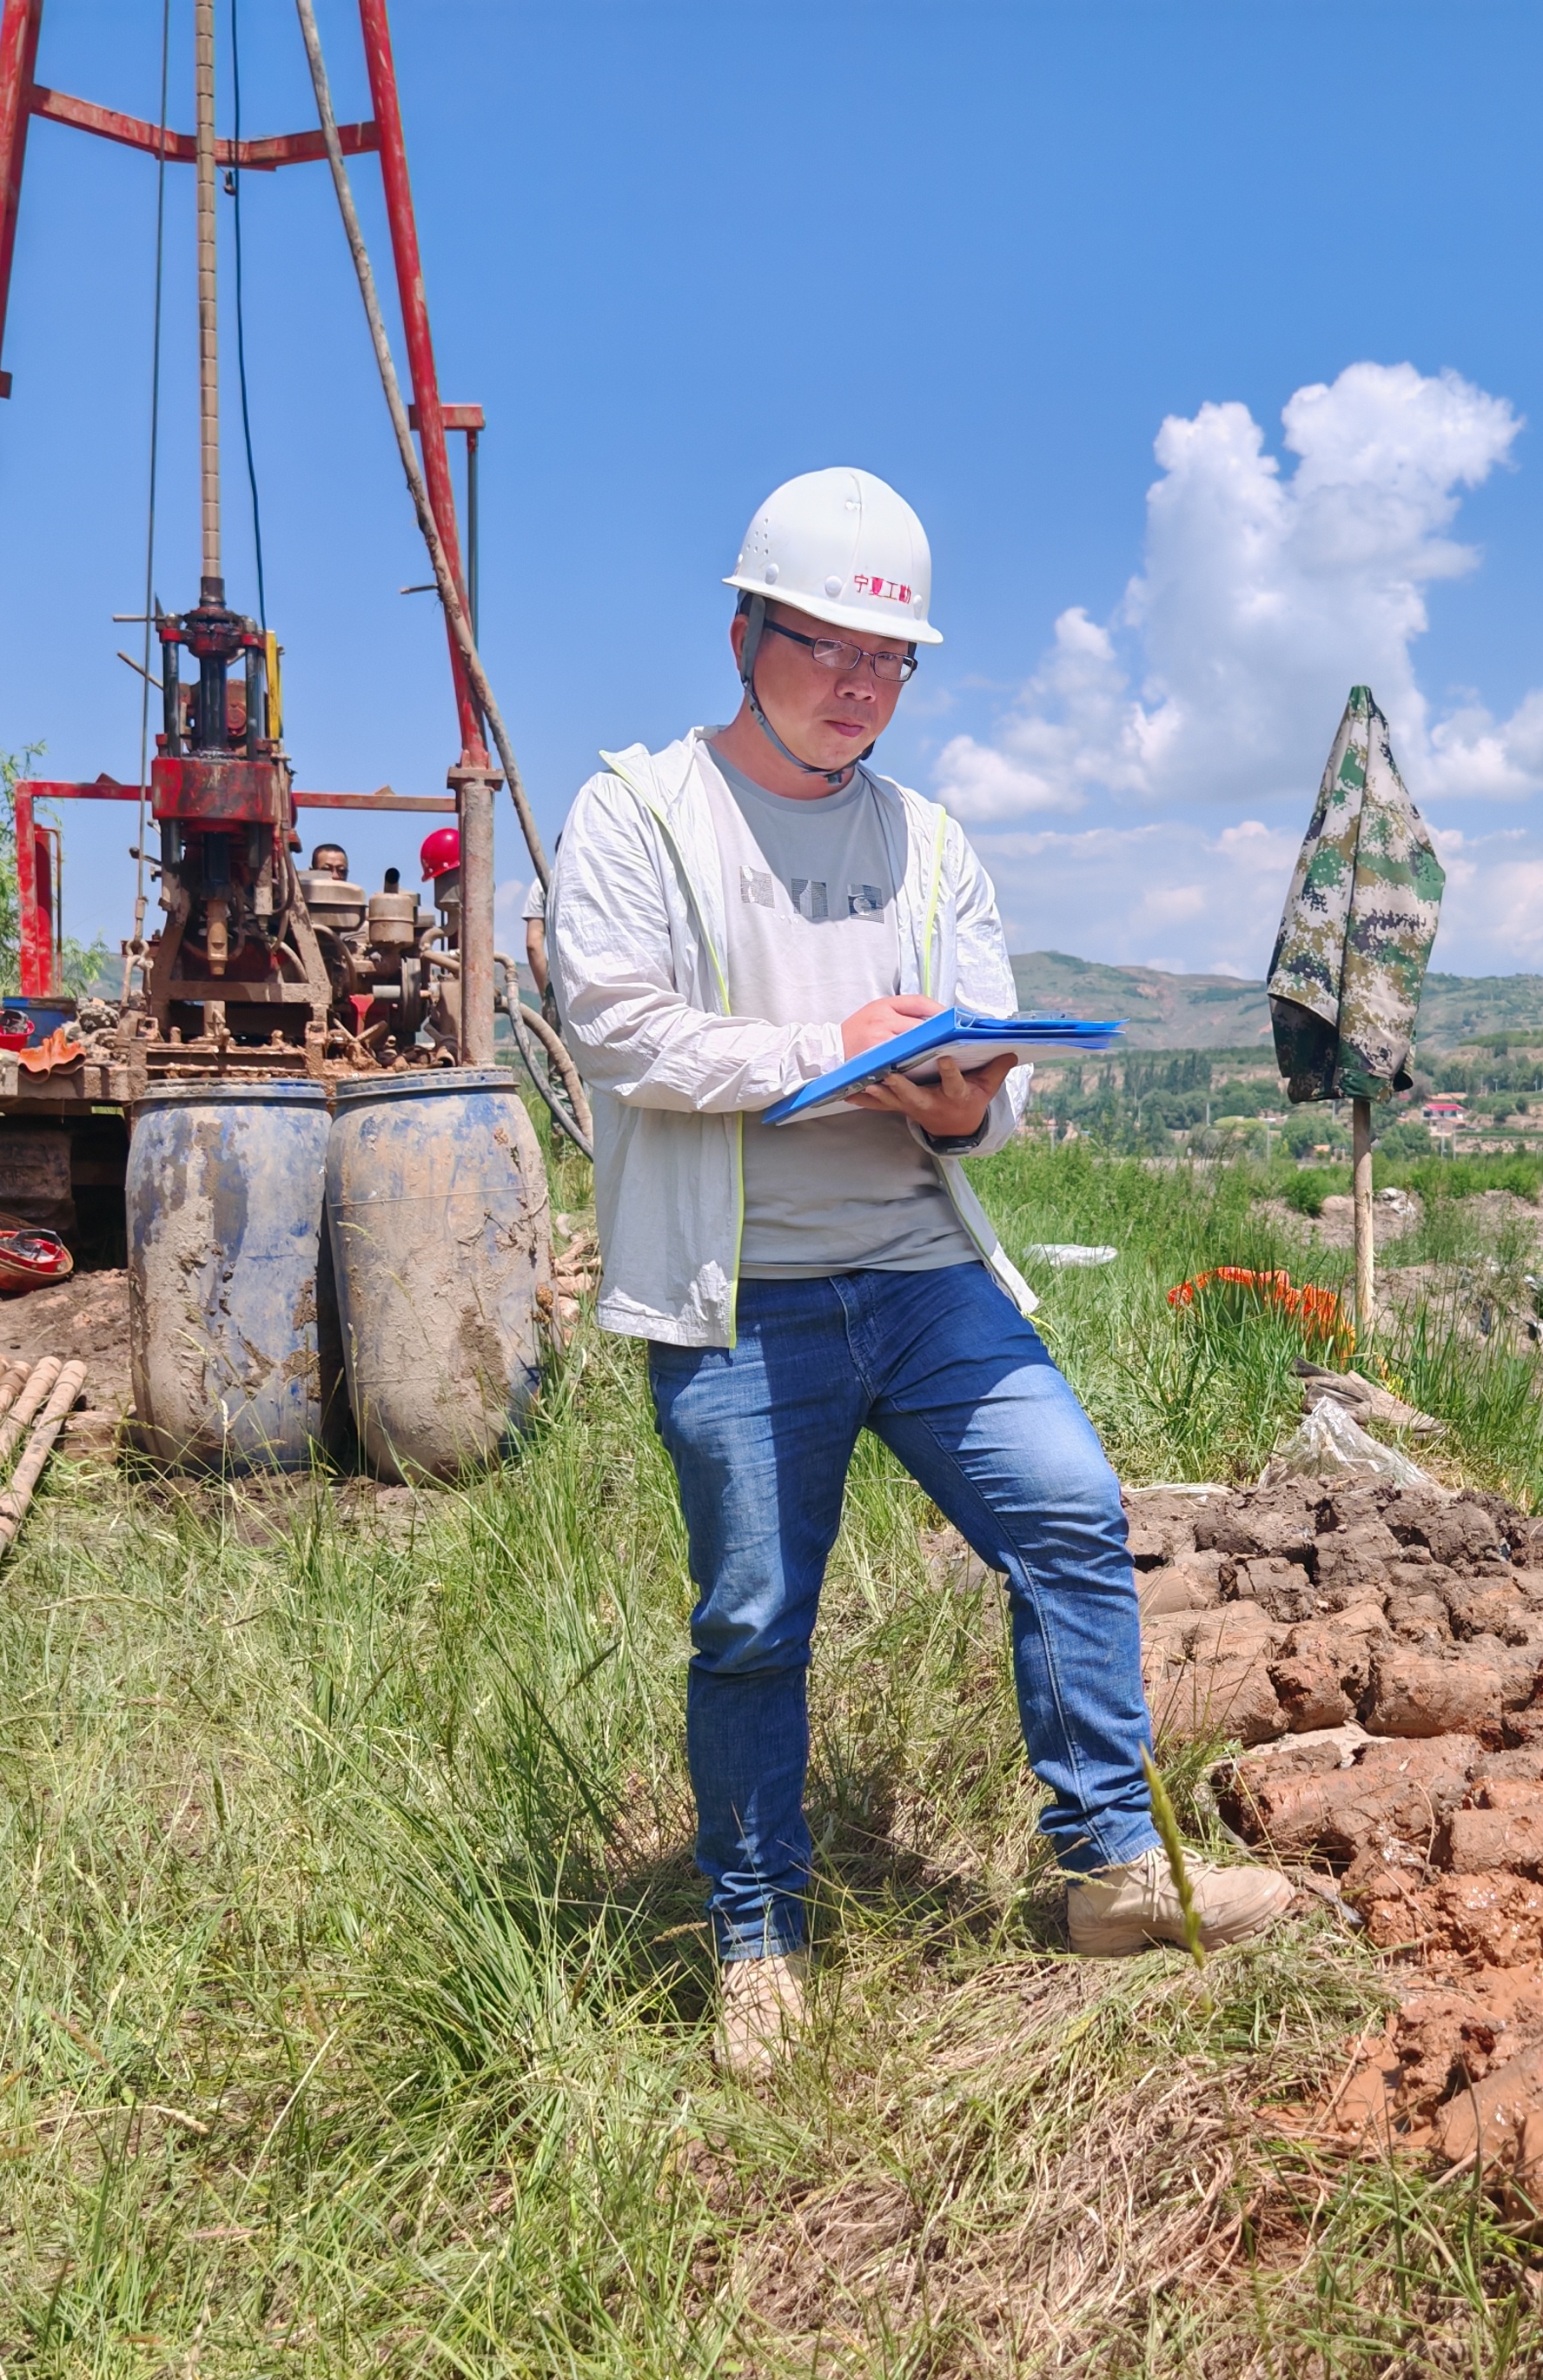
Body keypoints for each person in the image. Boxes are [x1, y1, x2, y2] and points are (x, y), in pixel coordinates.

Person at [551, 467, 1295, 2076]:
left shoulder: (932, 845)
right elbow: (616, 1028)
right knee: (754, 1613)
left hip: (916, 1268)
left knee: (1072, 1516)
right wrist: (829, 1046)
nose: (857, 686)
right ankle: (760, 1938)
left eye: (888, 662)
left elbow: (992, 1081)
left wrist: (964, 1099)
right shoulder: (639, 814)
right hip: (739, 1291)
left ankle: (1107, 1869)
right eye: (825, 648)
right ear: (745, 630)